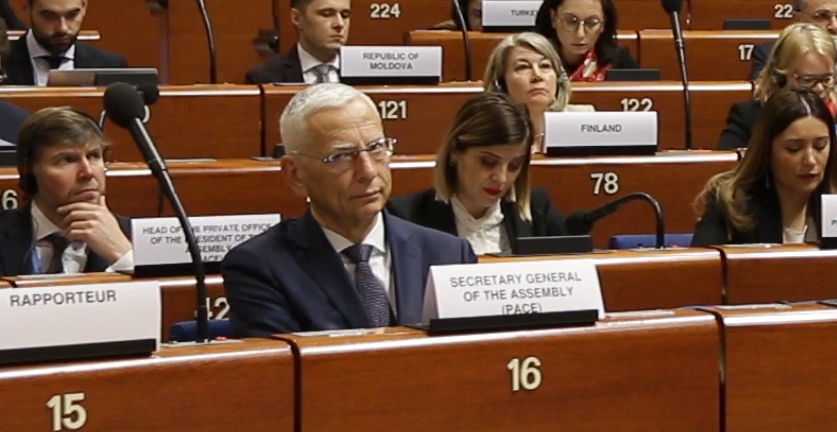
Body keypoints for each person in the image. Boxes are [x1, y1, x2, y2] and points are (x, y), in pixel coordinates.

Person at [224, 84, 476, 335]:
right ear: (296, 174)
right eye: (341, 156)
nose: (368, 171)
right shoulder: (260, 267)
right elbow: (283, 360)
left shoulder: (449, 254)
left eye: (376, 148)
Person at [388, 93, 565, 256]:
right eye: (488, 162)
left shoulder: (538, 209)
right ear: (454, 151)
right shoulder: (405, 216)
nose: (501, 178)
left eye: (514, 166)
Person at [693, 89, 837, 245]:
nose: (810, 160)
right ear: (766, 150)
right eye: (794, 148)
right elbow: (704, 264)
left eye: (820, 146)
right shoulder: (732, 203)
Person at [0, 107, 134, 276]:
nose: (88, 172)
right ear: (30, 170)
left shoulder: (139, 237)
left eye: (94, 156)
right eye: (67, 160)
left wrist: (124, 255)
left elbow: (163, 290)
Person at [718, 23, 837, 149]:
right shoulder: (750, 118)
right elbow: (727, 173)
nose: (819, 89)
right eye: (807, 80)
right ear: (780, 77)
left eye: (827, 79)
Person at [3, 0, 128, 86]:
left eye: (72, 15)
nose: (62, 28)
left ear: (84, 5)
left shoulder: (111, 67)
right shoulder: (3, 63)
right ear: (26, 7)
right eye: (49, 16)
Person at [246, 0, 351, 85]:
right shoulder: (265, 77)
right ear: (297, 18)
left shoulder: (363, 71)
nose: (340, 24)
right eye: (326, 14)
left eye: (345, 15)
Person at [482, 32, 579, 154]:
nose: (537, 75)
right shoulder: (487, 136)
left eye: (545, 66)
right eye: (523, 67)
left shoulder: (583, 121)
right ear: (501, 83)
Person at [534, 0, 640, 82]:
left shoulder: (619, 61)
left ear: (604, 23)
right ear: (553, 18)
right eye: (571, 21)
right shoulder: (532, 58)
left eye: (591, 23)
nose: (580, 34)